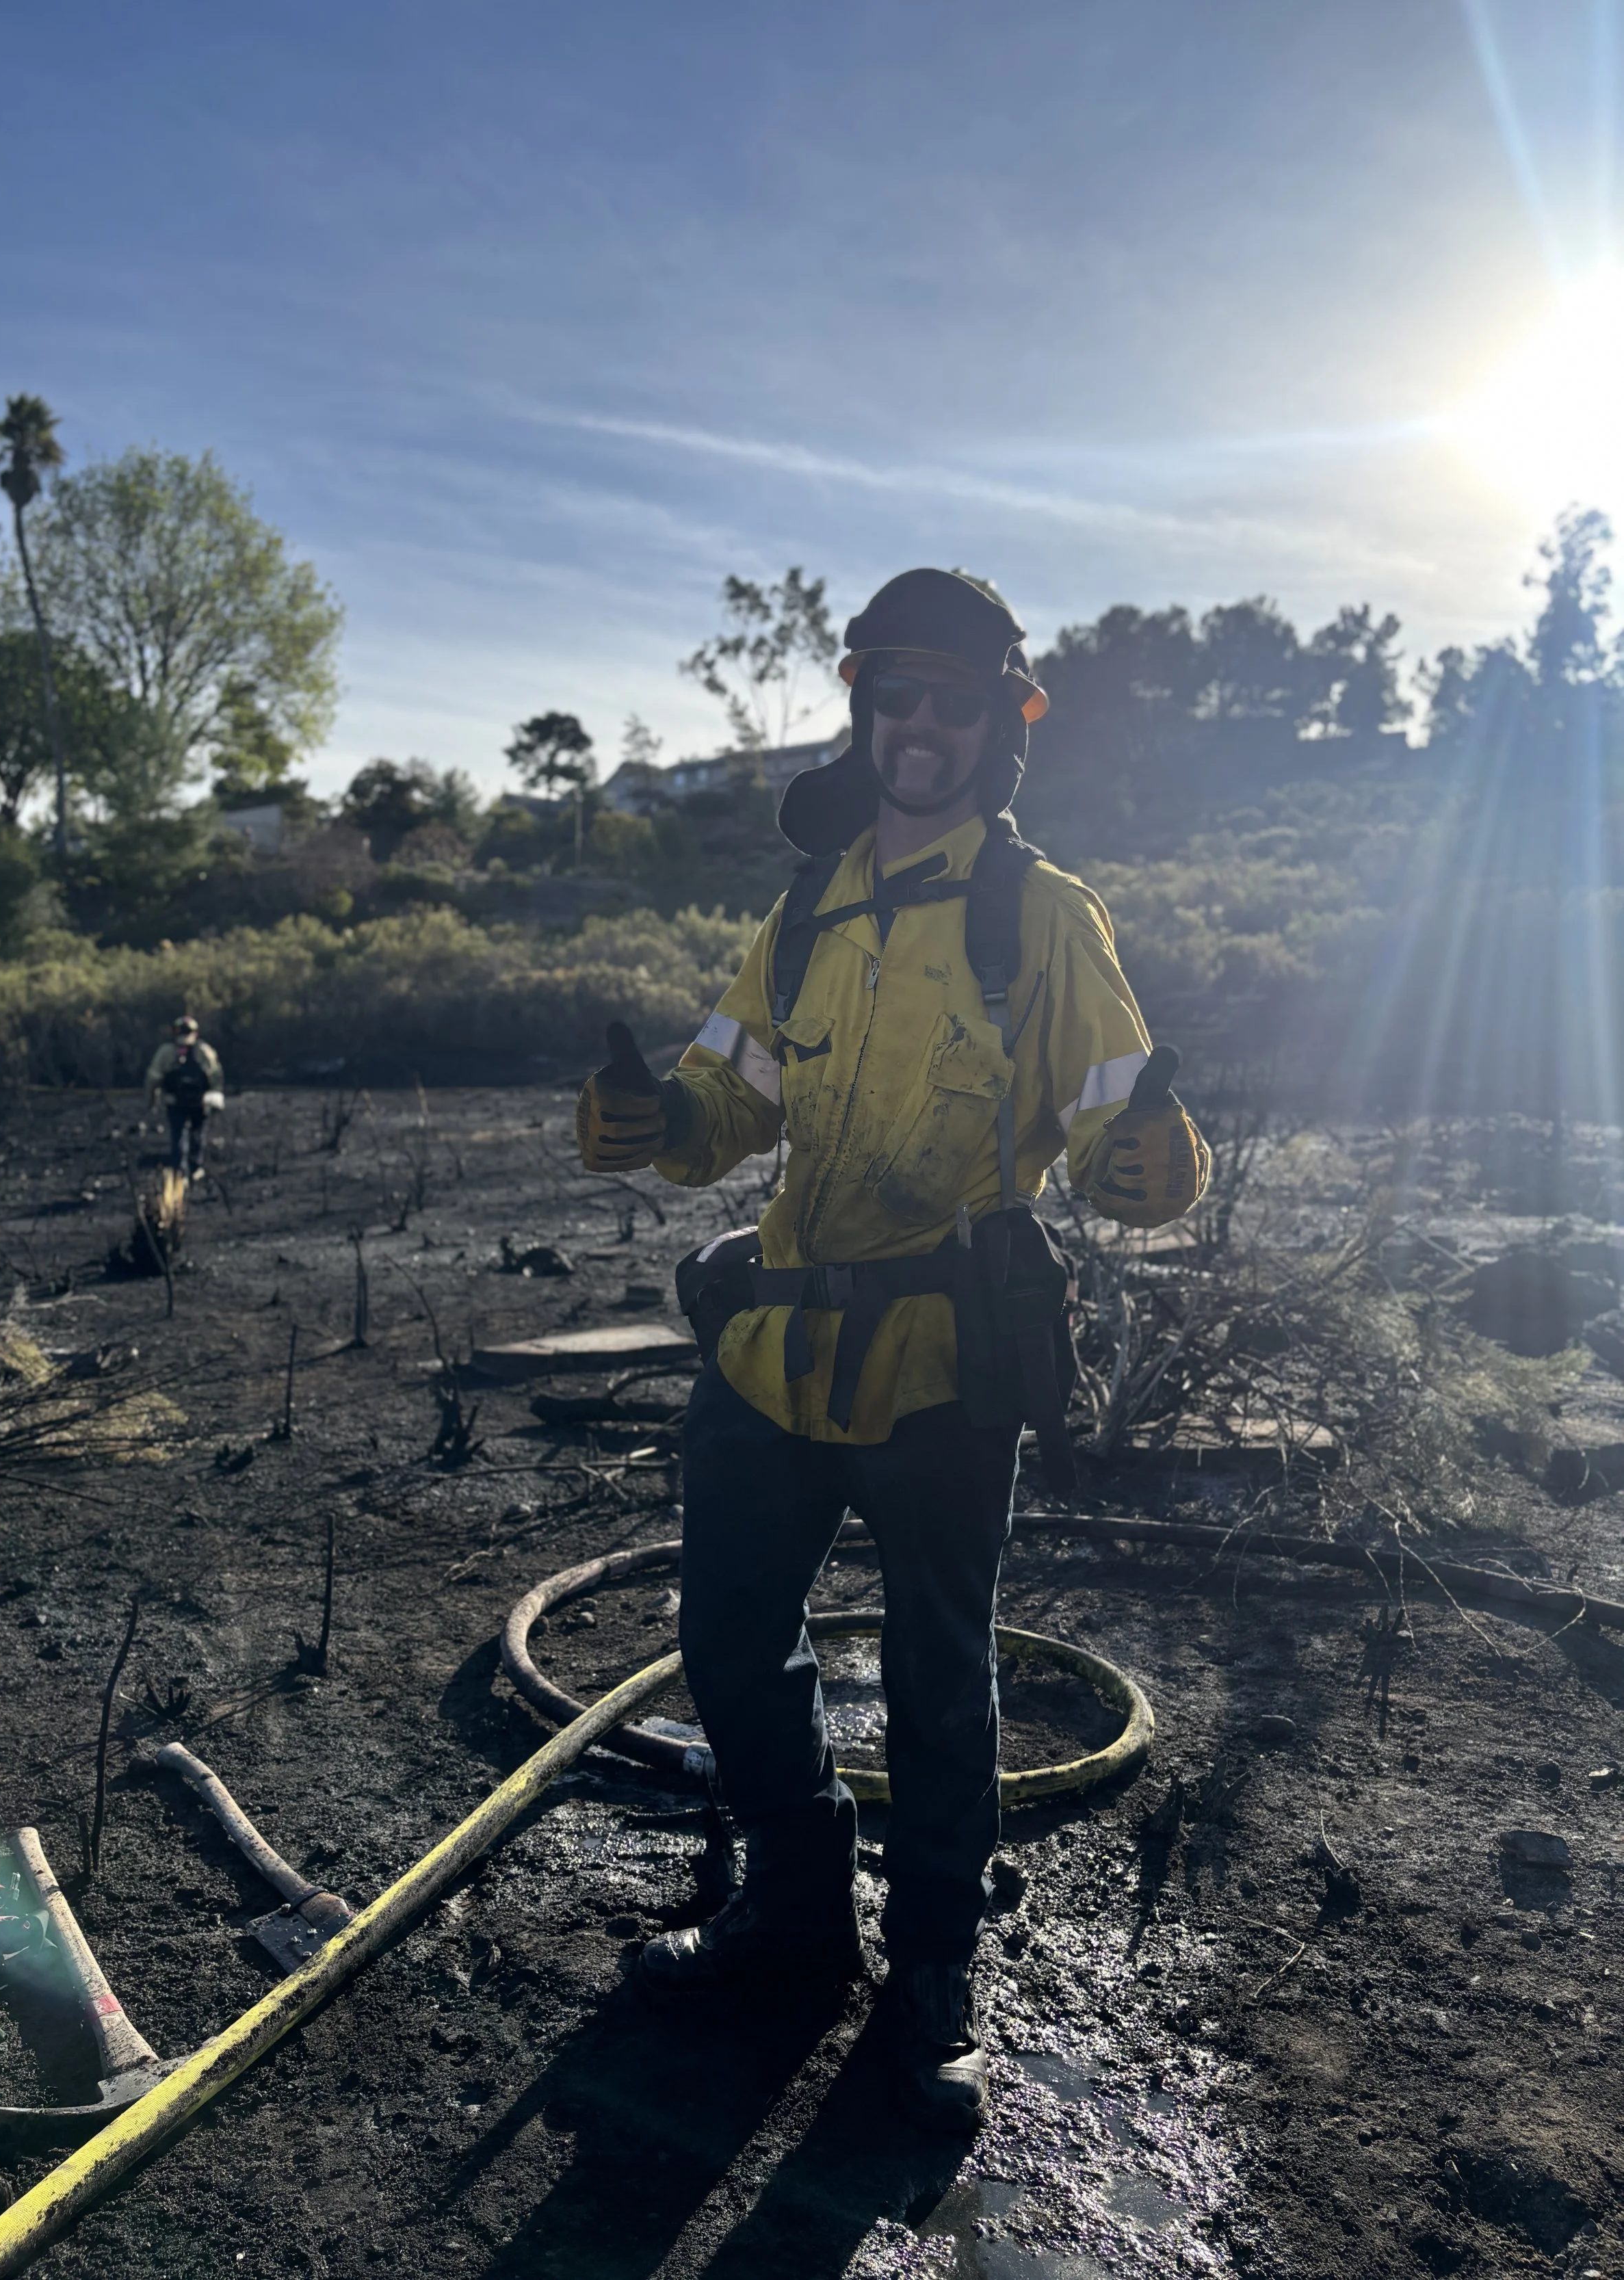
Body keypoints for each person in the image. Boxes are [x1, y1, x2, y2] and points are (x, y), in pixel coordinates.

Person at [575, 568, 1210, 2132]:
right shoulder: (802, 914)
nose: (916, 726)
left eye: (950, 700)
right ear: (865, 711)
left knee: (941, 1678)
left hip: (943, 1362)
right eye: (893, 697)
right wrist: (656, 1122)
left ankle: (928, 1981)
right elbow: (728, 1104)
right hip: (777, 1347)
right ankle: (792, 1914)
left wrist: (1153, 1164)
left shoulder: (1046, 920)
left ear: (1006, 722)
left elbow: (1110, 1132)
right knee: (727, 1641)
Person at [144, 1016, 222, 1181]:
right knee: (198, 1133)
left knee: (177, 1135)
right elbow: (216, 1076)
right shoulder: (204, 1051)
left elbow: (153, 1078)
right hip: (199, 1102)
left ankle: (179, 1170)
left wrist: (150, 1101)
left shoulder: (165, 1052)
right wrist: (216, 1098)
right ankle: (196, 1168)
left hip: (174, 1102)